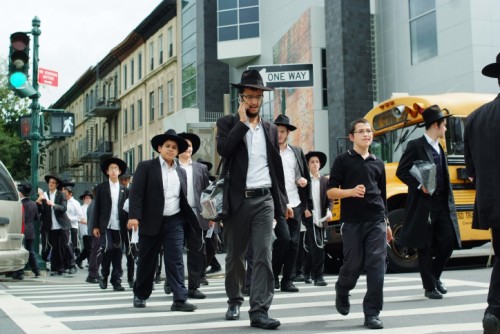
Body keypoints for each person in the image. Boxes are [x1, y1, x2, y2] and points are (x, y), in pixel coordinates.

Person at [216, 69, 290, 329]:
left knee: (263, 254)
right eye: (249, 96)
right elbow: (224, 150)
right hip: (237, 200)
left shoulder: (270, 129)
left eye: (258, 96)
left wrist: (283, 202)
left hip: (264, 199)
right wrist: (241, 124)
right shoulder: (227, 124)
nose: (254, 101)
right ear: (241, 98)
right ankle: (234, 299)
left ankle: (259, 309)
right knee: (235, 255)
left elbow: (275, 168)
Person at [327, 118, 392, 329]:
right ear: (351, 137)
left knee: (377, 266)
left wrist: (387, 222)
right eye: (361, 131)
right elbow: (330, 191)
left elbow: (382, 196)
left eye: (369, 131)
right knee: (353, 266)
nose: (367, 134)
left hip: (376, 221)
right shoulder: (342, 161)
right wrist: (350, 192)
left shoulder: (378, 163)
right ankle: (343, 288)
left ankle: (372, 313)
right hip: (352, 222)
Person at [127, 129, 198, 312]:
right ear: (159, 148)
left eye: (174, 147)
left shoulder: (180, 172)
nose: (170, 149)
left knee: (175, 259)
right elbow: (136, 194)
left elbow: (182, 198)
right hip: (150, 221)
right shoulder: (146, 166)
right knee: (147, 260)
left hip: (174, 221)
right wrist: (134, 216)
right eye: (167, 146)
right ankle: (140, 294)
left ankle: (179, 299)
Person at [396, 105, 461, 300]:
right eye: (444, 125)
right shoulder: (415, 146)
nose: (446, 129)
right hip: (424, 205)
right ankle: (429, 286)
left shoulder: (439, 147)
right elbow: (402, 171)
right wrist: (419, 185)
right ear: (435, 125)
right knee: (424, 246)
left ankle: (434, 276)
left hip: (442, 204)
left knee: (448, 240)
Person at [464, 52, 500, 334]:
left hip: (492, 203)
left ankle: (495, 310)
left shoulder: (475, 119)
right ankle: (494, 309)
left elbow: (471, 170)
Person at [272, 114, 311, 293]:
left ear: (288, 132)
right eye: (276, 131)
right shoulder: (269, 152)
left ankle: (288, 280)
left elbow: (301, 174)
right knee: (284, 239)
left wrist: (301, 180)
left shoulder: (296, 152)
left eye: (282, 131)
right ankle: (273, 276)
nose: (279, 134)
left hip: (295, 202)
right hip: (277, 203)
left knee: (295, 243)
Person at [174, 131, 211, 299]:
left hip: (197, 215)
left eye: (189, 145)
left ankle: (193, 287)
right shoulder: (171, 166)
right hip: (175, 214)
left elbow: (206, 193)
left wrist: (210, 215)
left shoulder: (201, 168)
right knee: (174, 251)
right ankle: (173, 282)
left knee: (196, 251)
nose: (187, 148)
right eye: (184, 145)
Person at [93, 157, 129, 292]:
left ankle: (116, 280)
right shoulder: (101, 188)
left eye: (116, 169)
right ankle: (104, 275)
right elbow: (97, 208)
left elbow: (128, 207)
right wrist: (95, 226)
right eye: (111, 169)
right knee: (108, 249)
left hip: (119, 226)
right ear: (107, 171)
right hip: (105, 225)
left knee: (118, 252)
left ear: (119, 172)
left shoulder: (124, 189)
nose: (114, 171)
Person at [36, 173, 75, 276]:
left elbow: (63, 208)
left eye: (53, 183)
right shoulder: (44, 195)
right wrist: (39, 203)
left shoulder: (61, 194)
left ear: (57, 184)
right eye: (50, 182)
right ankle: (56, 268)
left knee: (63, 246)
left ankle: (68, 265)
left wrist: (54, 205)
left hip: (62, 225)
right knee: (55, 247)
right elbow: (41, 211)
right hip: (51, 225)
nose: (51, 184)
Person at [303, 151, 332, 286]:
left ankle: (306, 271)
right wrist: (305, 209)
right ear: (308, 164)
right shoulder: (304, 180)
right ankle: (318, 276)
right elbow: (300, 197)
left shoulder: (325, 180)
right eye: (312, 162)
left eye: (317, 162)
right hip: (310, 217)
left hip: (322, 217)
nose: (315, 164)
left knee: (315, 246)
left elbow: (329, 199)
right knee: (318, 246)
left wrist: (329, 211)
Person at [13, 182, 41, 279]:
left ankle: (19, 273)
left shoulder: (20, 204)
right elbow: (36, 218)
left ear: (20, 193)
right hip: (31, 230)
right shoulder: (33, 204)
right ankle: (36, 270)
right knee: (31, 251)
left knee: (20, 251)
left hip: (22, 230)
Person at [119, 172, 137, 288]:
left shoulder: (132, 190)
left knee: (133, 251)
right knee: (126, 251)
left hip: (133, 224)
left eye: (126, 180)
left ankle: (131, 277)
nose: (124, 182)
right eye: (122, 180)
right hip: (121, 224)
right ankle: (126, 276)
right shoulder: (119, 191)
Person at [63, 185, 84, 272]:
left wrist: (70, 219)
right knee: (65, 245)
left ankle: (73, 263)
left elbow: (80, 216)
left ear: (70, 194)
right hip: (64, 227)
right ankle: (67, 264)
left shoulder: (75, 203)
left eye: (65, 193)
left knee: (71, 245)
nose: (64, 195)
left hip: (72, 227)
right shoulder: (63, 202)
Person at [76, 190, 93, 269]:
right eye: (86, 198)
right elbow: (81, 219)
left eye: (90, 198)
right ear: (83, 199)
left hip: (93, 230)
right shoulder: (81, 208)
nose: (88, 199)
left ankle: (79, 259)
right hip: (85, 231)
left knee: (87, 248)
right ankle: (90, 263)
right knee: (89, 248)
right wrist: (90, 223)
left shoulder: (93, 207)